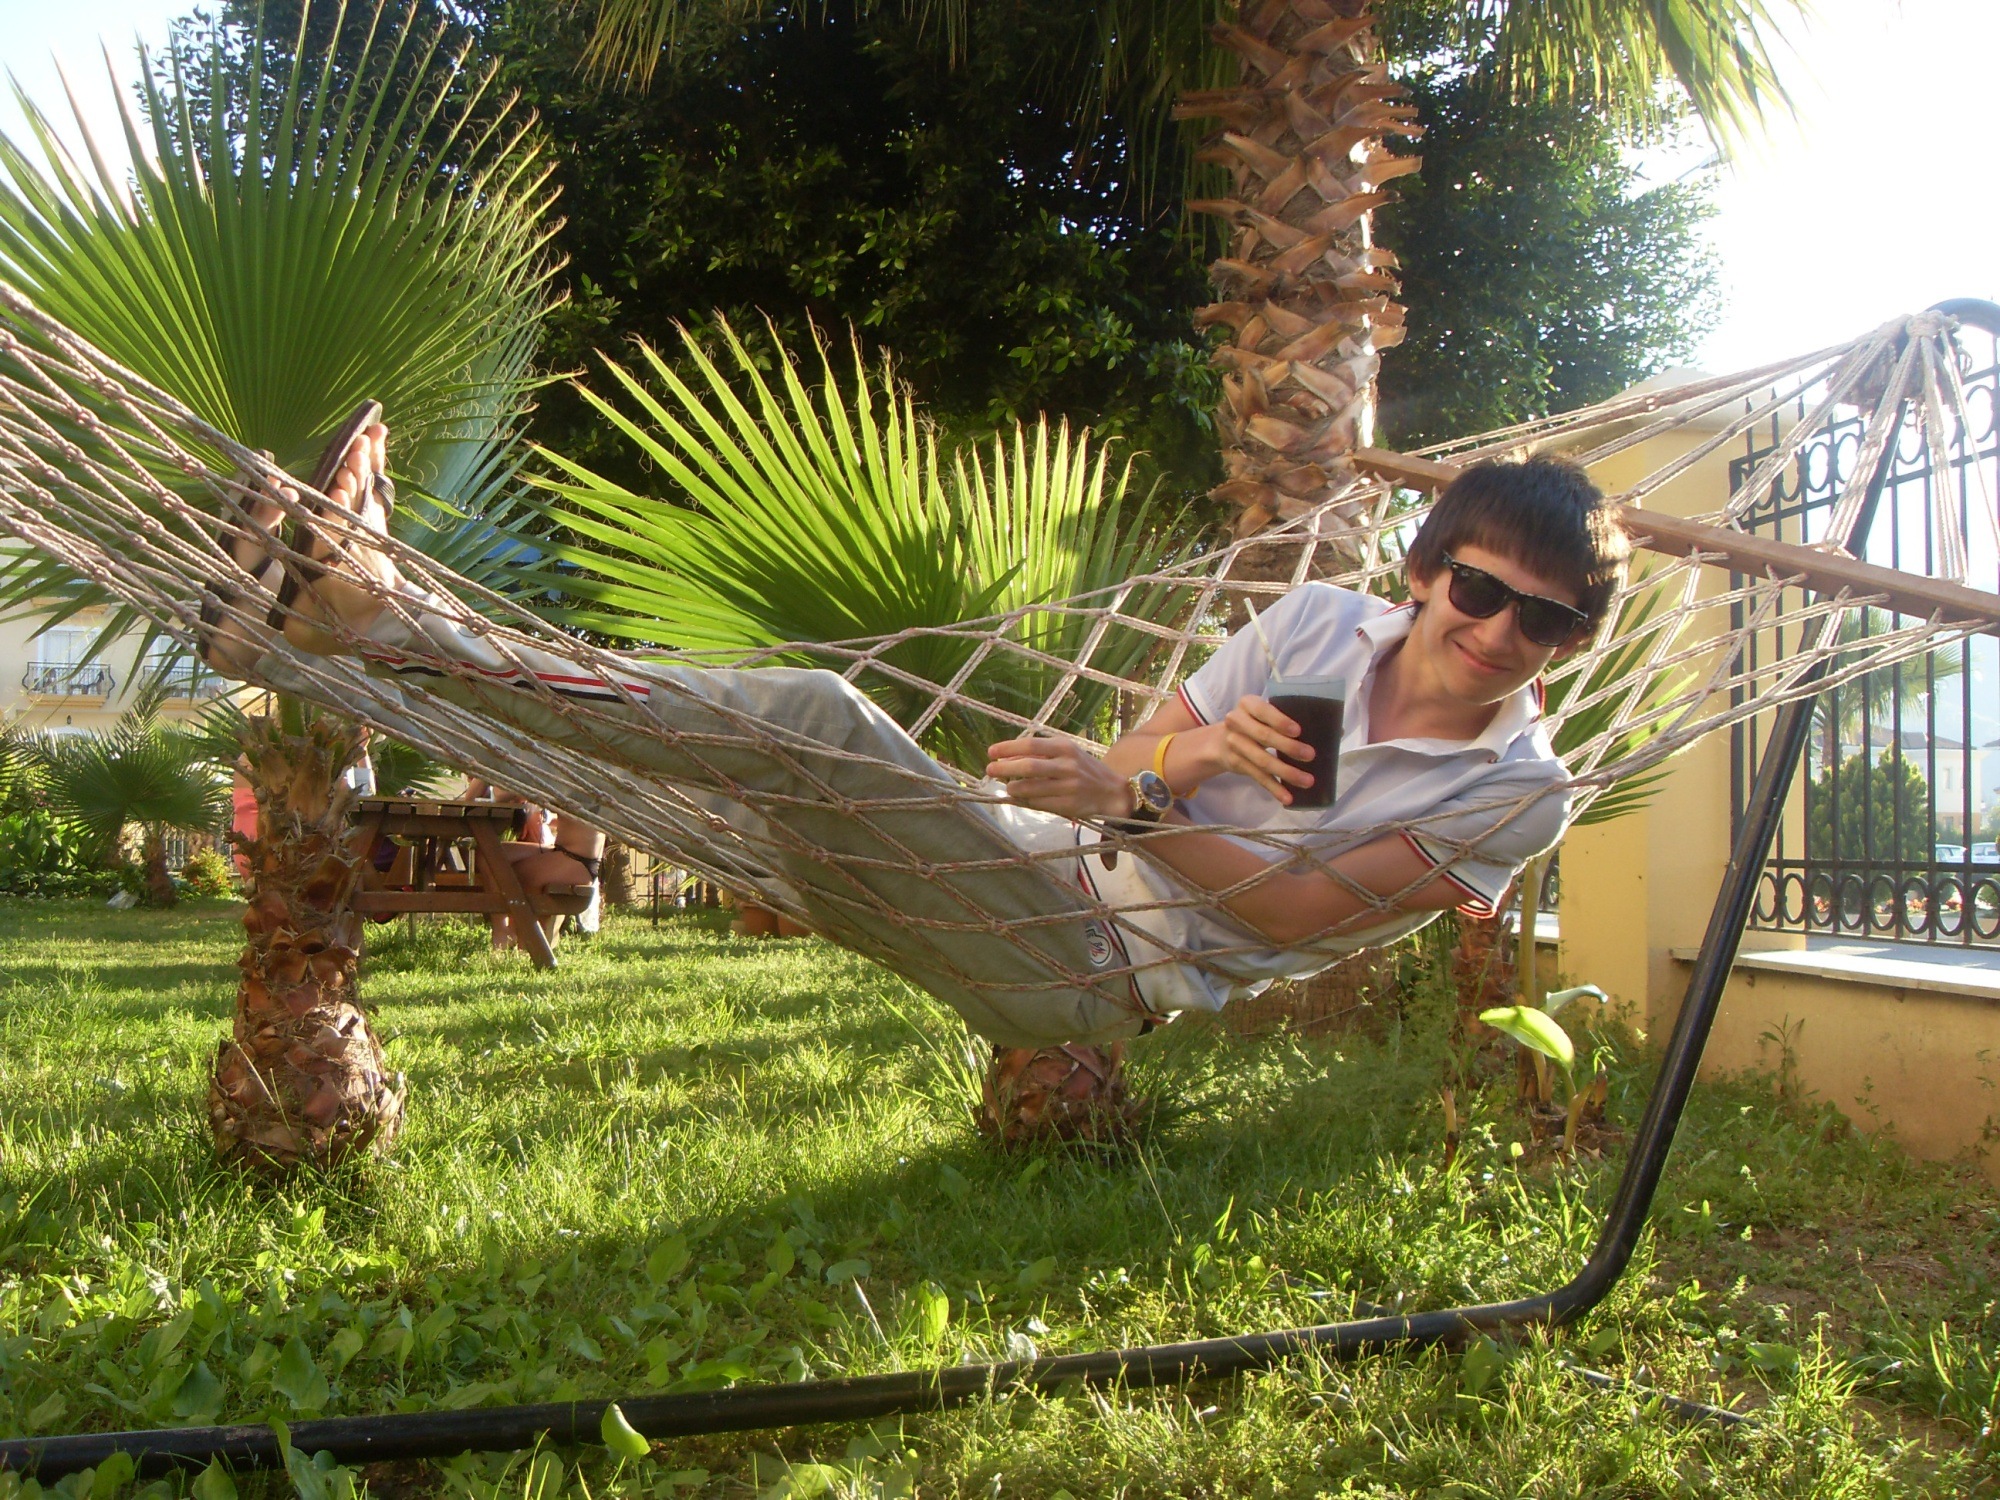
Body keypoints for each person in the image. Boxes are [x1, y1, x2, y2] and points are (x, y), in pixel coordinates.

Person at [199, 423, 1623, 1072]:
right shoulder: (1317, 622)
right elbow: (1138, 755)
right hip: (1007, 860)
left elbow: (1295, 913)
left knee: (816, 719)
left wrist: (1134, 803)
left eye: (1545, 620)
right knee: (720, 752)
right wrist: (1168, 774)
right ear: (1426, 571)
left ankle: (373, 614)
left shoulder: (1520, 791)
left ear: (1569, 642)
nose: (1500, 632)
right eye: (1479, 588)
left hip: (1087, 970)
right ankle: (313, 637)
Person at [464, 776, 606, 955]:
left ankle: (528, 942)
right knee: (490, 855)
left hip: (578, 861)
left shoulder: (571, 777)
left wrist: (485, 769)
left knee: (512, 872)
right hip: (561, 850)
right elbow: (475, 798)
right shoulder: (558, 776)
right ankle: (503, 929)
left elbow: (500, 794)